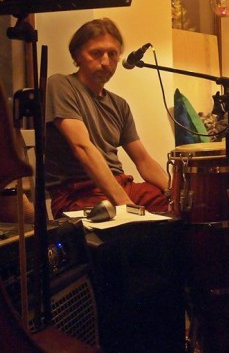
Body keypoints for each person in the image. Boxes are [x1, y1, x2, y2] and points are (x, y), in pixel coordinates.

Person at [44, 18, 170, 218]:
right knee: (128, 227)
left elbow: (143, 160)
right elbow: (82, 148)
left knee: (178, 211)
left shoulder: (119, 104)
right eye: (96, 53)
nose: (105, 62)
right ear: (77, 55)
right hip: (79, 192)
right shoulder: (61, 85)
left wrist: (175, 193)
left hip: (121, 185)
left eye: (112, 54)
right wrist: (126, 206)